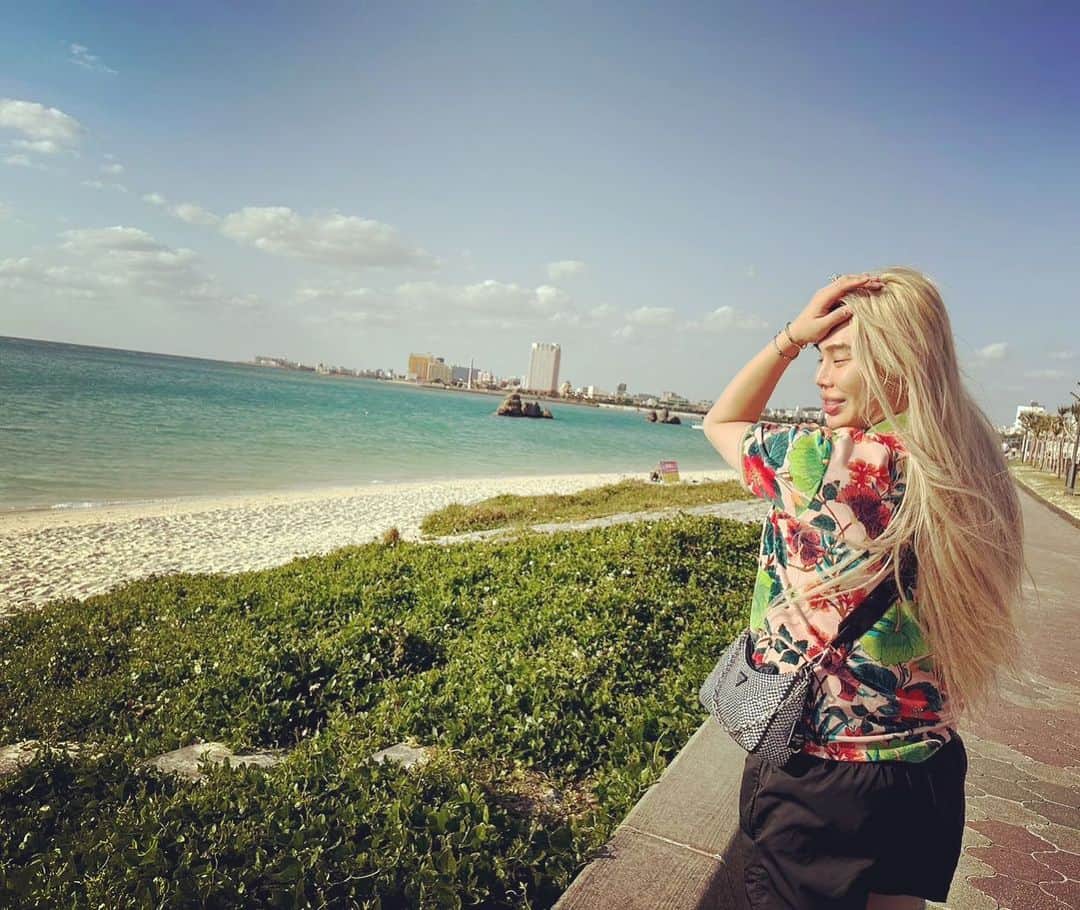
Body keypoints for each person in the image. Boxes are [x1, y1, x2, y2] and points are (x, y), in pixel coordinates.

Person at [702, 270, 1024, 909]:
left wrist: (791, 337)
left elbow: (723, 420)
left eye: (840, 357)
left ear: (897, 360)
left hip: (825, 775)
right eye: (818, 358)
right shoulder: (972, 465)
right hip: (926, 767)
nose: (821, 377)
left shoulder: (822, 463)